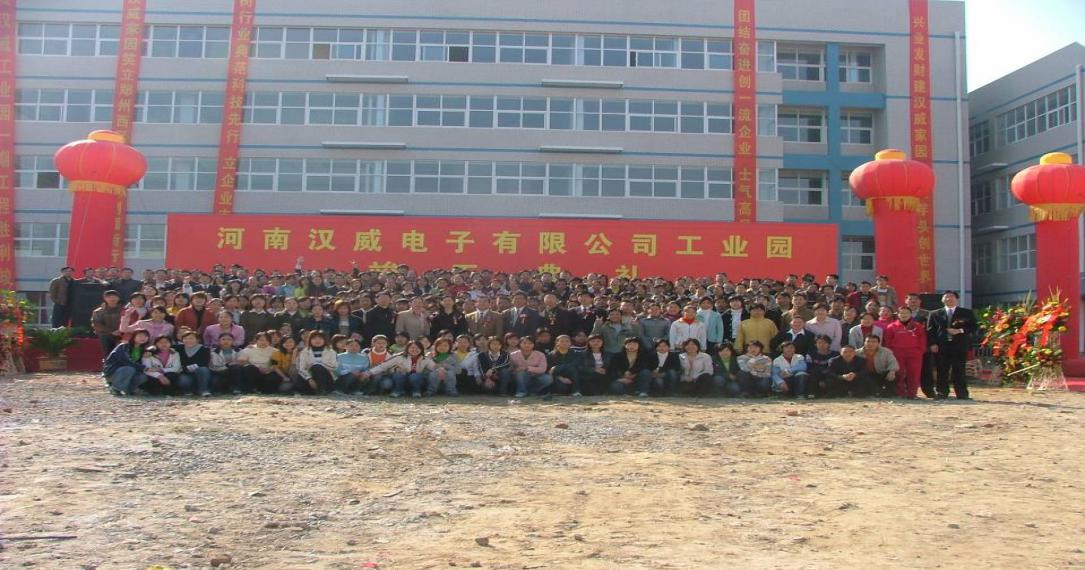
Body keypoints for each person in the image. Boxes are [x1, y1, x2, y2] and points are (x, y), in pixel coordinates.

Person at [926, 290, 977, 400]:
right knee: (942, 370)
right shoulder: (935, 313)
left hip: (959, 346)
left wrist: (960, 331)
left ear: (957, 299)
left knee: (959, 370)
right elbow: (930, 330)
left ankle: (962, 393)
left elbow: (973, 327)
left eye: (951, 297)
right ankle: (942, 392)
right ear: (942, 299)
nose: (949, 299)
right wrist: (933, 344)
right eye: (946, 297)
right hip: (941, 346)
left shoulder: (966, 312)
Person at [883, 306, 927, 400]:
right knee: (900, 373)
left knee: (914, 374)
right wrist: (891, 353)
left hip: (914, 353)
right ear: (897, 315)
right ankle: (901, 393)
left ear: (911, 314)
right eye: (901, 313)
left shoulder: (917, 326)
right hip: (897, 353)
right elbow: (887, 341)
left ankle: (912, 394)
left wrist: (920, 351)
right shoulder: (891, 326)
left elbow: (922, 340)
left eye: (906, 313)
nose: (904, 315)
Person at [366, 340, 435, 398]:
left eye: (418, 348)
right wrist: (368, 373)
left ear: (421, 349)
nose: (415, 350)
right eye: (412, 348)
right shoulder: (400, 357)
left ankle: (416, 391)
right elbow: (383, 366)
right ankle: (397, 391)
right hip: (400, 379)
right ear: (407, 348)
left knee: (415, 376)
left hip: (415, 381)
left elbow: (434, 367)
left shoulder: (424, 359)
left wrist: (439, 370)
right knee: (399, 374)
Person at [102, 329, 151, 396]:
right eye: (140, 335)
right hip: (113, 371)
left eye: (146, 336)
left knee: (142, 376)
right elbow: (126, 361)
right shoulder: (123, 346)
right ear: (133, 337)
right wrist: (145, 368)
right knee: (129, 369)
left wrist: (151, 352)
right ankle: (115, 388)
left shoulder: (142, 350)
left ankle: (129, 390)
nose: (143, 338)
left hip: (129, 372)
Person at [177, 331, 213, 397]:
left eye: (191, 338)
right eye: (185, 339)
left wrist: (192, 367)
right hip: (185, 372)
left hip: (199, 371)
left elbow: (204, 362)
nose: (188, 340)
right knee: (183, 381)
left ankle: (204, 390)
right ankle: (188, 391)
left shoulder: (204, 349)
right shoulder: (178, 348)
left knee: (203, 369)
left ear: (197, 340)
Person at [91, 290, 124, 356]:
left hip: (122, 335)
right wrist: (111, 331)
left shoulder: (124, 309)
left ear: (118, 298)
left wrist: (120, 331)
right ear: (105, 299)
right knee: (108, 354)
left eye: (114, 296)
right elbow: (96, 324)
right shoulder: (98, 311)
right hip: (106, 335)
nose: (112, 298)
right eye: (109, 297)